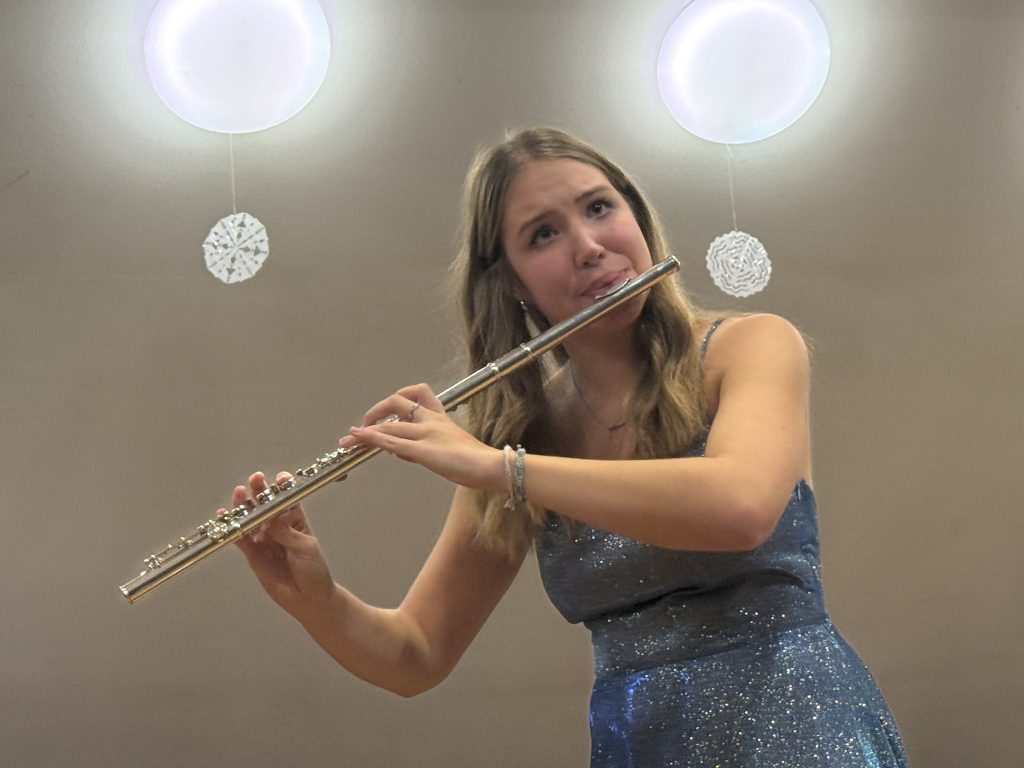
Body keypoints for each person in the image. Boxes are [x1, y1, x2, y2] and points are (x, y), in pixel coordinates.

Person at [226, 128, 909, 767]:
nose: (588, 246)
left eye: (600, 208)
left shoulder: (748, 346)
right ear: (513, 283)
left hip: (804, 734)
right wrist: (317, 599)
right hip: (639, 745)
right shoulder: (521, 439)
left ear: (636, 217)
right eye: (544, 234)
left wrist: (499, 467)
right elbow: (416, 655)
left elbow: (740, 508)